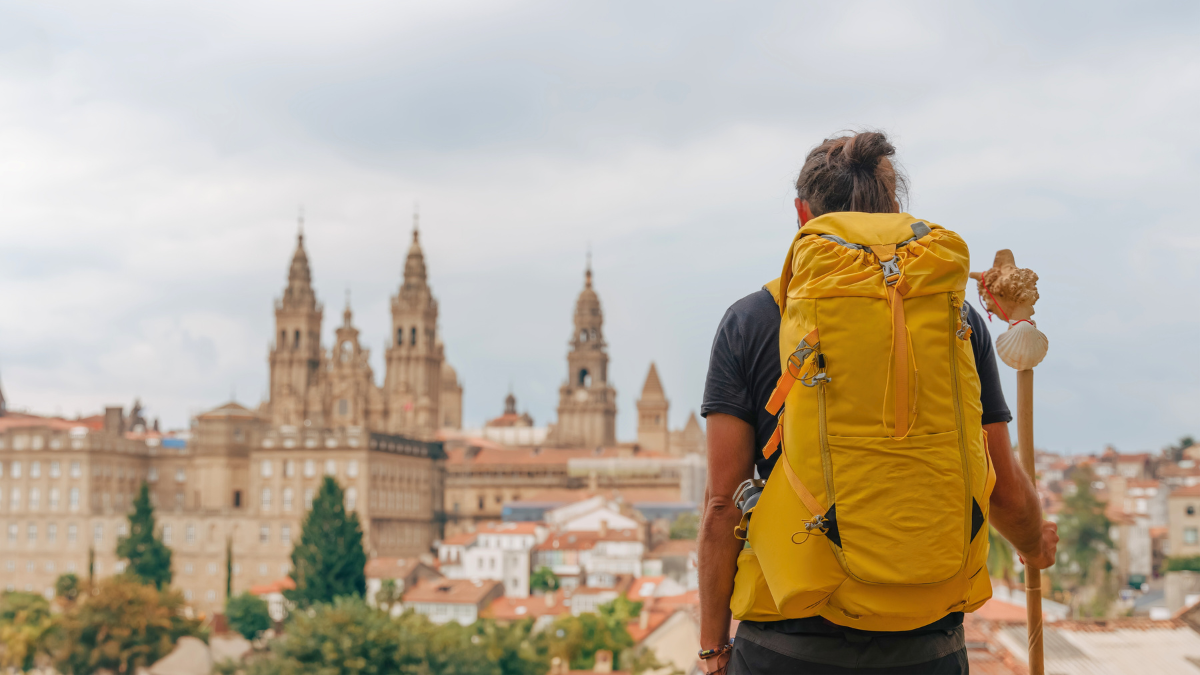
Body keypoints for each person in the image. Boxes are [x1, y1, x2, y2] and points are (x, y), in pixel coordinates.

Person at [696, 130, 1059, 675]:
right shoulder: (954, 317)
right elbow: (1001, 485)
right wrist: (1035, 542)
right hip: (925, 644)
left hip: (788, 644)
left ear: (802, 214)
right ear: (895, 209)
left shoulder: (752, 320)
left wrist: (713, 648)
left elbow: (722, 505)